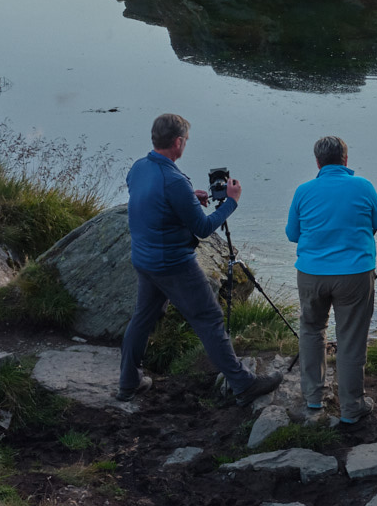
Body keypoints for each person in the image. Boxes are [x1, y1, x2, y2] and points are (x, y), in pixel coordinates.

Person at [118, 113, 282, 405]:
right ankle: (244, 385)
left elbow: (151, 201)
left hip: (144, 259)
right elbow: (204, 228)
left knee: (142, 319)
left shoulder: (139, 167)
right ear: (178, 142)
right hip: (173, 264)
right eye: (186, 141)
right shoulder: (173, 180)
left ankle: (129, 383)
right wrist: (231, 201)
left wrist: (187, 199)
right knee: (209, 318)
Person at [285, 135, 377, 426]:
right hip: (355, 274)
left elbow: (293, 234)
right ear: (346, 159)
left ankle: (314, 396)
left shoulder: (303, 191)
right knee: (351, 339)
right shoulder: (363, 186)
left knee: (311, 330)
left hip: (312, 274)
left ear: (317, 162)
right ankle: (352, 407)